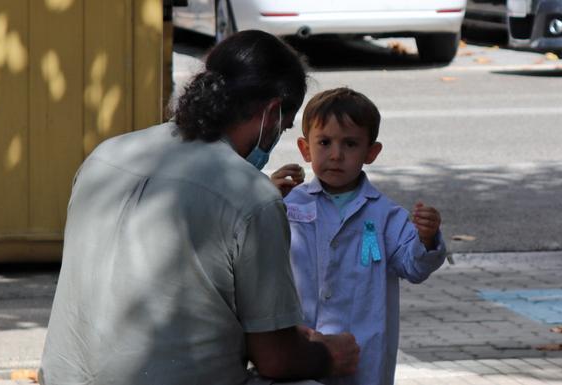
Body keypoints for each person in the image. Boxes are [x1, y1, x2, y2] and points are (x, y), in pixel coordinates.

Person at [39, 31, 360, 385]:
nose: (274, 139)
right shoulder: (251, 194)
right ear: (271, 112)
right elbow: (276, 359)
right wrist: (329, 355)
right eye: (282, 129)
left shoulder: (106, 155)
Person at [271, 87, 447, 385]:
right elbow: (257, 253)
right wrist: (266, 199)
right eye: (324, 142)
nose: (336, 155)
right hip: (301, 347)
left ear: (371, 153)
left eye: (350, 144)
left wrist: (427, 239)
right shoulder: (288, 204)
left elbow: (414, 268)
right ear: (305, 149)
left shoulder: (386, 215)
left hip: (364, 356)